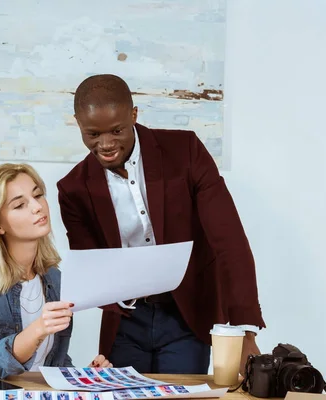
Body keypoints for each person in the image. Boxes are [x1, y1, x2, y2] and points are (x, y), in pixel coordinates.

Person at [57, 74, 266, 374]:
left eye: (117, 130)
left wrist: (244, 331)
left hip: (186, 314)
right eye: (92, 134)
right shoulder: (73, 189)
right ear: (77, 123)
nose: (105, 144)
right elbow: (92, 267)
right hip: (125, 321)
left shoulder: (186, 152)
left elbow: (228, 240)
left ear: (134, 114)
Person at [0, 163, 112, 378]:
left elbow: (53, 359)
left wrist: (83, 376)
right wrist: (39, 328)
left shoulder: (55, 278)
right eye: (19, 205)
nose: (38, 207)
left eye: (38, 195)